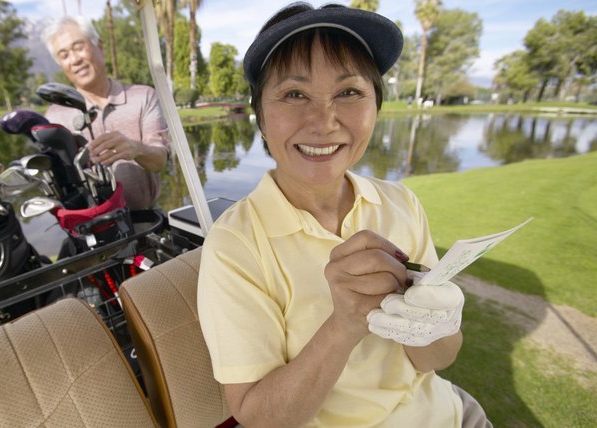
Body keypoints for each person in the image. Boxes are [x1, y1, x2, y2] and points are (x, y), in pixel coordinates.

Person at [197, 3, 492, 427]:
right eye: (295, 94)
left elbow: (437, 361)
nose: (324, 121)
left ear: (375, 106)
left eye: (349, 92)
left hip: (450, 413)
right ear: (260, 116)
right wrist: (344, 325)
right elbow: (259, 417)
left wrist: (437, 318)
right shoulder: (235, 245)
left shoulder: (401, 203)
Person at [41, 16, 170, 210]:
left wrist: (136, 149)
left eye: (78, 47)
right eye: (64, 55)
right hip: (90, 228)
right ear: (60, 64)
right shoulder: (54, 117)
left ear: (99, 46)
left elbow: (160, 161)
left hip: (147, 221)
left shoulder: (144, 96)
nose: (75, 60)